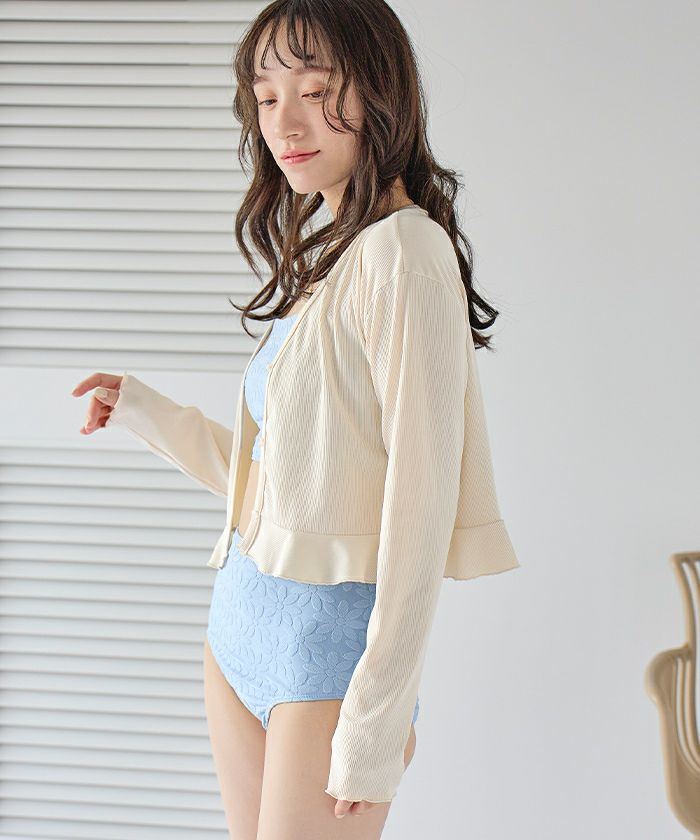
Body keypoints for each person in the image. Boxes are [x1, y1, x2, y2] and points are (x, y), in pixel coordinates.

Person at [71, 1, 519, 837]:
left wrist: (379, 721)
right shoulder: (334, 257)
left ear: (380, 91)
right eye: (267, 96)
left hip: (326, 653)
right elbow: (287, 487)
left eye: (315, 90)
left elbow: (419, 511)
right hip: (239, 621)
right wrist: (143, 410)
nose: (285, 122)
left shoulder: (405, 254)